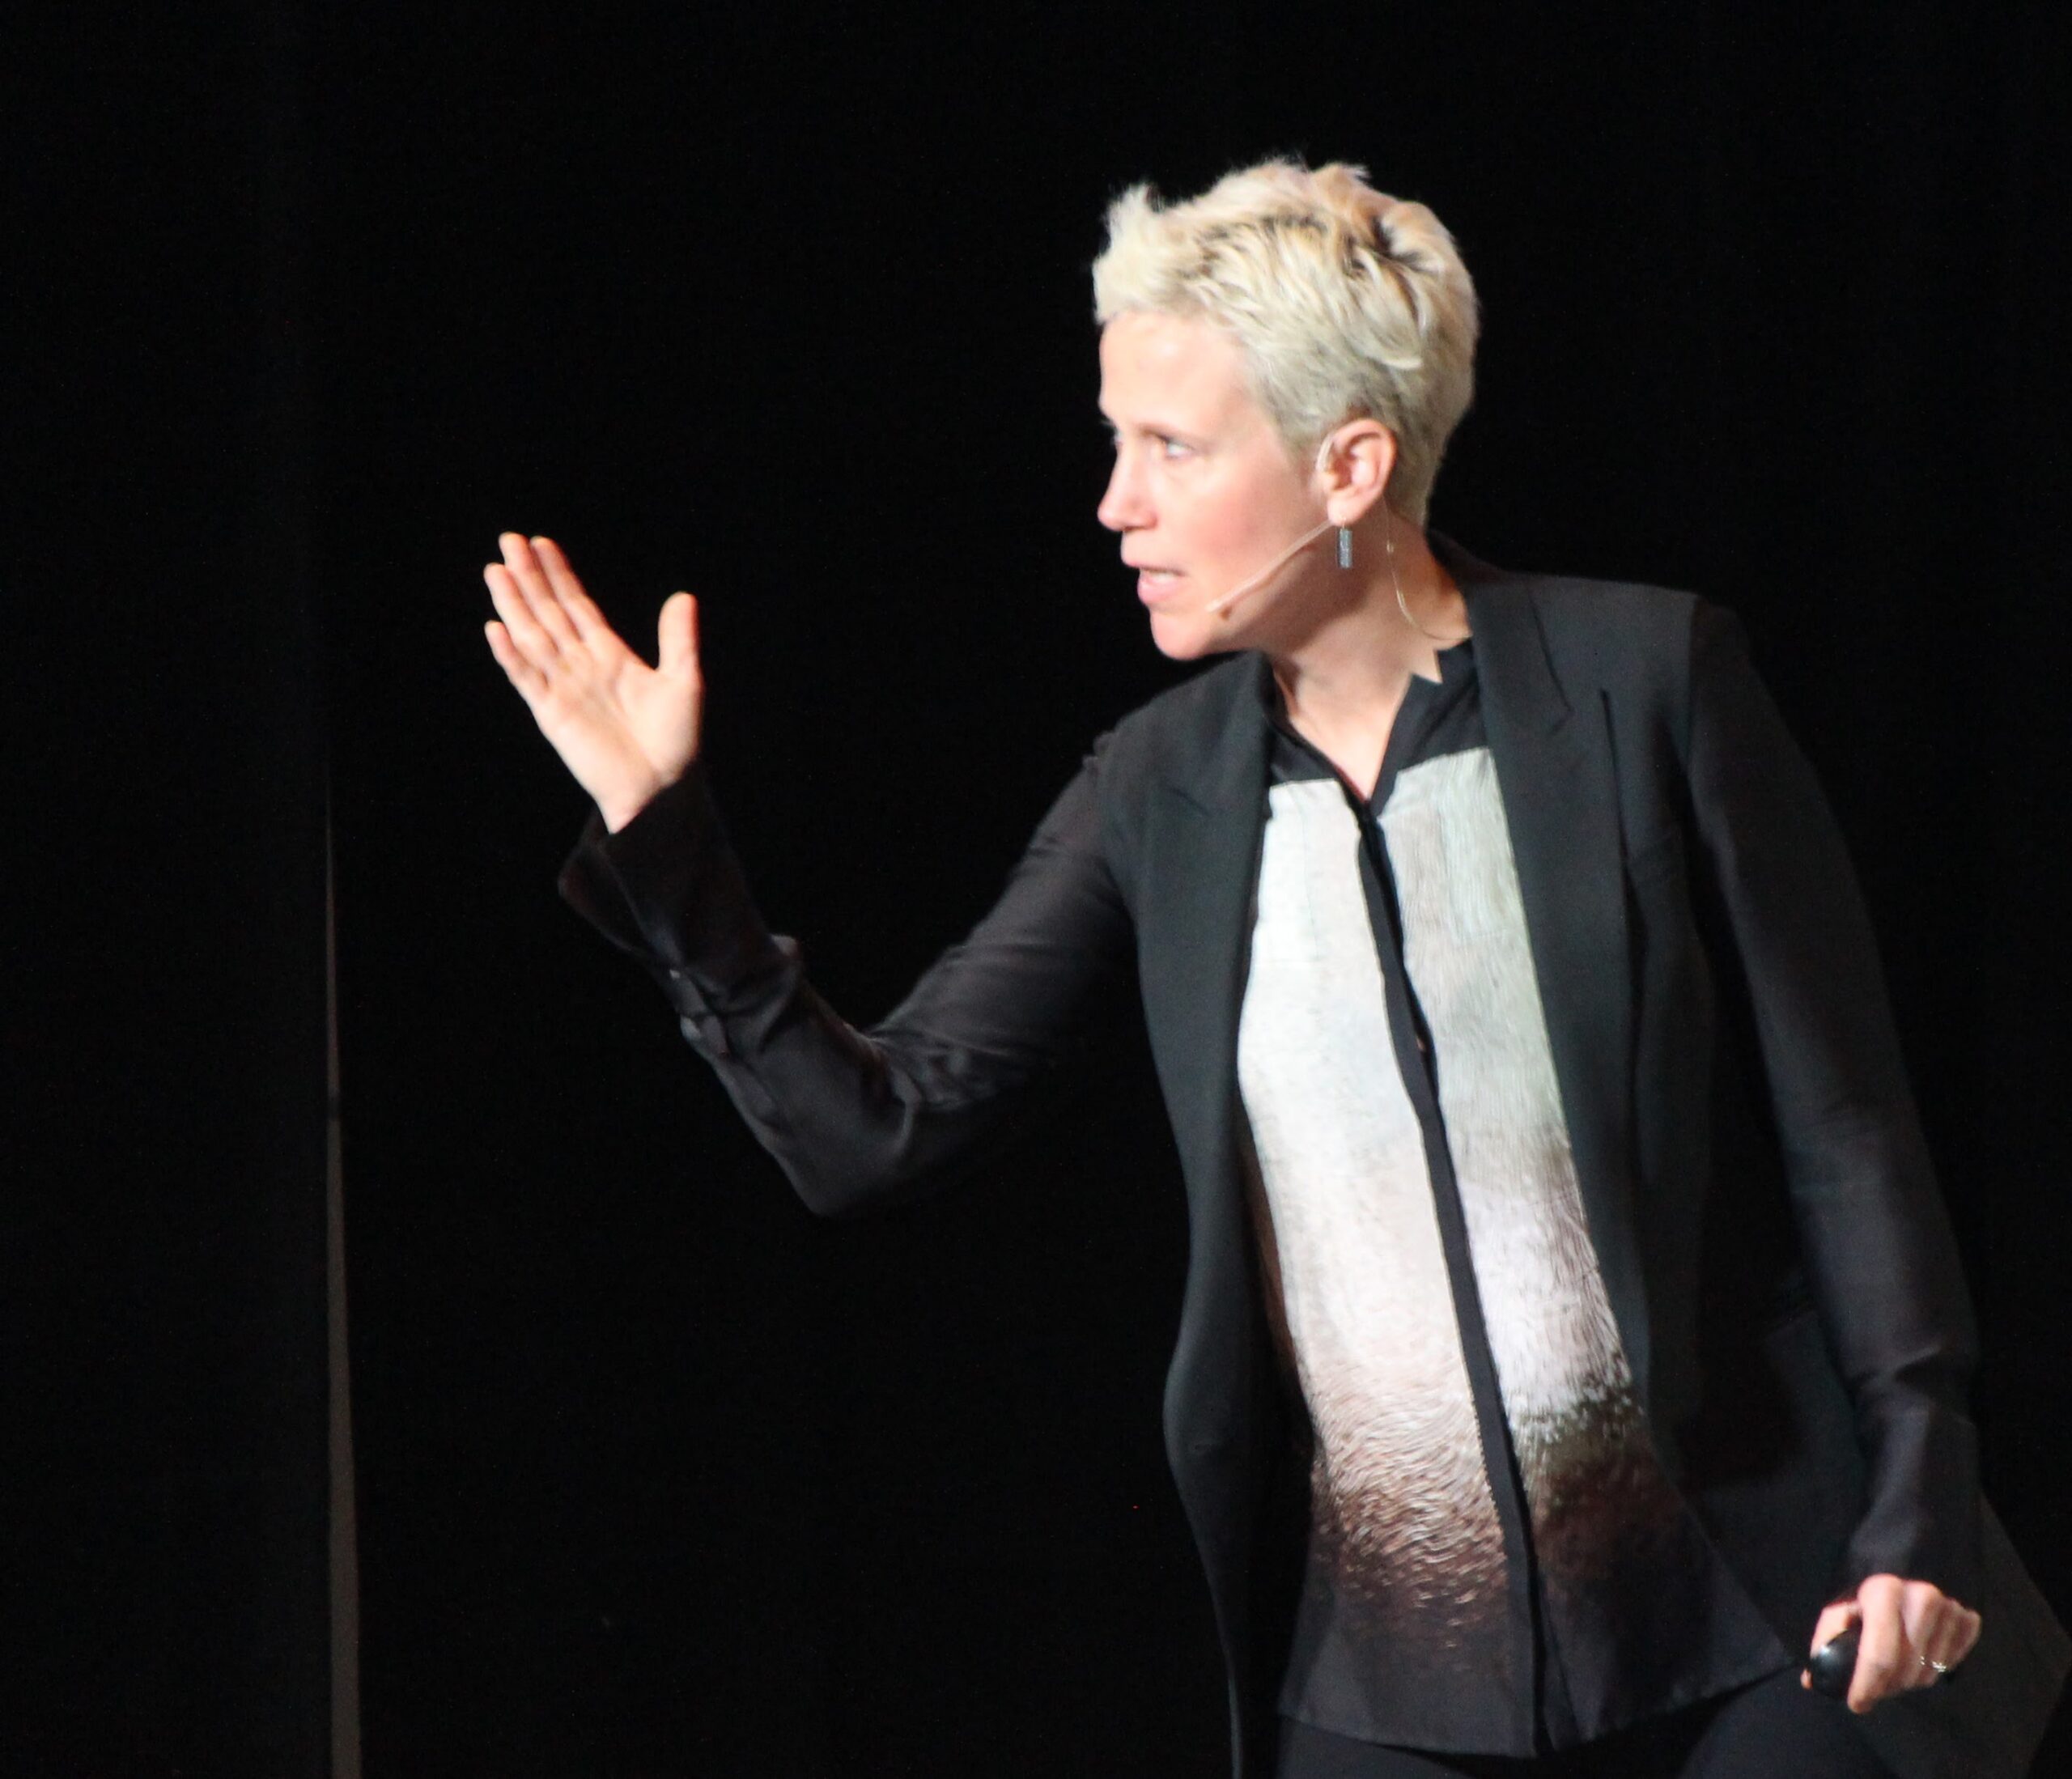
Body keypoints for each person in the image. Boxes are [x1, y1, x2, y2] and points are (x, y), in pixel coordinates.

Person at [482, 160, 2063, 1778]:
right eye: (1117, 443)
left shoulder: (1644, 686)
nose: (1116, 502)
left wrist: (1916, 1506)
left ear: (1347, 466)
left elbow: (1844, 1124)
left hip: (1754, 1613)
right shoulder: (1155, 789)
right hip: (1389, 1679)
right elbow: (868, 1132)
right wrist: (665, 840)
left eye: (1169, 447)